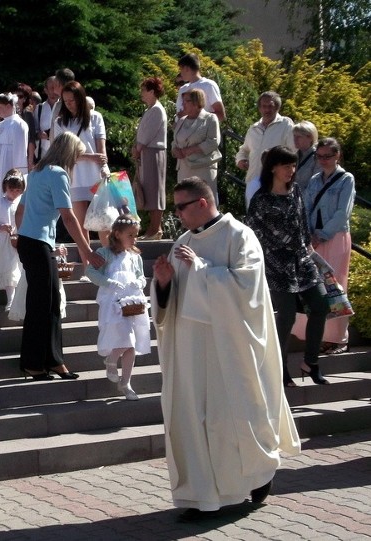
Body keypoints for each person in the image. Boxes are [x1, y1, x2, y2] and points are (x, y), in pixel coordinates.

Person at [151, 177, 300, 520]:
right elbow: (168, 305)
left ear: (202, 203)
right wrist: (162, 283)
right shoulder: (182, 243)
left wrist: (201, 270)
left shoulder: (239, 236)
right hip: (189, 351)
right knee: (193, 420)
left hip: (229, 350)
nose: (177, 214)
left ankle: (257, 478)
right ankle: (200, 496)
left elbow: (246, 291)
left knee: (230, 418)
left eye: (181, 206)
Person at [14, 131, 104, 380]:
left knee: (51, 303)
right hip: (37, 244)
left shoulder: (36, 172)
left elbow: (20, 210)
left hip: (33, 242)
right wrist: (86, 250)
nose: (76, 160)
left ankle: (53, 360)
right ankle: (35, 363)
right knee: (42, 304)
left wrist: (20, 233)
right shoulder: (58, 174)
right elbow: (68, 215)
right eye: (76, 155)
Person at [246, 146, 330, 386]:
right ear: (273, 167)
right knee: (286, 316)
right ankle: (279, 368)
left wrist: (314, 257)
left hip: (302, 261)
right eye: (286, 166)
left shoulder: (296, 192)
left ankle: (310, 362)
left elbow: (304, 227)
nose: (291, 171)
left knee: (321, 305)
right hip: (275, 264)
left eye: (293, 166)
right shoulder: (261, 199)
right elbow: (252, 234)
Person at [295, 138, 355, 355]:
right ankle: (316, 334)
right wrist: (308, 233)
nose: (323, 160)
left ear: (337, 155)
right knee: (314, 284)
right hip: (313, 238)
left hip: (335, 237)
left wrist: (322, 234)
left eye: (327, 156)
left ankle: (339, 338)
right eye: (319, 156)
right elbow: (305, 207)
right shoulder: (314, 179)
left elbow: (342, 212)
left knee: (335, 285)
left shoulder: (346, 179)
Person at [83, 215, 150, 401]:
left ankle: (126, 382)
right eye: (130, 235)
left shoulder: (135, 257)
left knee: (131, 344)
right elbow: (90, 271)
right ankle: (111, 360)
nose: (134, 239)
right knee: (126, 338)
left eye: (136, 235)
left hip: (132, 301)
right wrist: (108, 282)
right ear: (118, 234)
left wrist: (139, 282)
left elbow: (142, 277)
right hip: (112, 301)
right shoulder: (104, 253)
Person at [54, 81, 108, 237]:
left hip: (96, 175)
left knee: (104, 223)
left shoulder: (96, 117)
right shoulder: (60, 122)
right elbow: (63, 152)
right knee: (81, 227)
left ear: (80, 98)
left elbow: (101, 148)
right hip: (75, 177)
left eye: (72, 100)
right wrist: (90, 157)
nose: (69, 104)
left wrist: (103, 164)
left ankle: (108, 260)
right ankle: (87, 261)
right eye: (66, 101)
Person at [0, 93, 29, 233]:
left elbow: (20, 149)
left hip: (9, 164)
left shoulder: (19, 124)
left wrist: (18, 172)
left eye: (0, 107)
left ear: (10, 106)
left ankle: (13, 226)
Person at [132, 77, 167, 240]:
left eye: (144, 90)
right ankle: (154, 228)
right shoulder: (151, 109)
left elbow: (147, 134)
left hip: (154, 152)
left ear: (152, 91)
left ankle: (155, 229)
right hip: (148, 153)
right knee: (149, 190)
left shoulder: (157, 110)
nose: (142, 93)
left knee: (155, 190)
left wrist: (138, 149)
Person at [172, 88, 221, 204]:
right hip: (184, 168)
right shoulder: (181, 120)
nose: (183, 104)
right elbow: (174, 141)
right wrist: (174, 150)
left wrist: (191, 149)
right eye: (183, 101)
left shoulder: (210, 119)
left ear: (196, 102)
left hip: (203, 168)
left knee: (203, 203)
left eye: (187, 101)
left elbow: (213, 141)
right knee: (185, 203)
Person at [236, 91, 295, 183]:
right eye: (264, 106)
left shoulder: (286, 124)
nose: (267, 110)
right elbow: (244, 149)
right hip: (253, 181)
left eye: (270, 106)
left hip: (274, 182)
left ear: (277, 107)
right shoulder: (254, 128)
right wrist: (241, 159)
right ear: (260, 108)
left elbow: (293, 151)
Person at [0, 170, 26, 311]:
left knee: (19, 269)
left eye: (18, 190)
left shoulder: (23, 203)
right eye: (11, 189)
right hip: (4, 242)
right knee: (9, 270)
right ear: (5, 188)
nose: (14, 193)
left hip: (21, 241)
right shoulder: (0, 203)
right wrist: (1, 226)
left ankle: (20, 299)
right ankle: (11, 300)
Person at [175, 53, 225, 122]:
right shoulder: (183, 89)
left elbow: (220, 115)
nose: (180, 73)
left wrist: (193, 115)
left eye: (181, 69)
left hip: (202, 132)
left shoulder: (209, 85)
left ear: (187, 68)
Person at [292, 121, 321, 192]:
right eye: (294, 136)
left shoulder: (318, 157)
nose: (295, 140)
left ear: (310, 137)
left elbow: (316, 184)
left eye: (299, 137)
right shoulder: (293, 156)